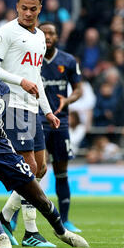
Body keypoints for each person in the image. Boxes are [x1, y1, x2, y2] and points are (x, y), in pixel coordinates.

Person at [0, 47, 89, 248]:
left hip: (0, 149)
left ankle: (62, 231)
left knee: (38, 197)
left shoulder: (0, 89)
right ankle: (2, 236)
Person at [0, 0, 60, 248]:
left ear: (40, 8)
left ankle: (6, 217)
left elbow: (35, 78)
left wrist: (48, 110)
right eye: (24, 8)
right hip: (11, 105)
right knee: (28, 168)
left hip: (32, 108)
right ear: (16, 7)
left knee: (41, 168)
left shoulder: (41, 37)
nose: (28, 13)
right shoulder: (6, 32)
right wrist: (20, 81)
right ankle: (31, 231)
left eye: (33, 9)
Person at [37, 21, 83, 232]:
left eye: (51, 33)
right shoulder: (31, 60)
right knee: (30, 170)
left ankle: (65, 219)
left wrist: (68, 100)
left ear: (57, 37)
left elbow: (78, 89)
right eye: (44, 32)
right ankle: (15, 220)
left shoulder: (68, 60)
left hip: (61, 121)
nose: (47, 36)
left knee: (61, 171)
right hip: (36, 120)